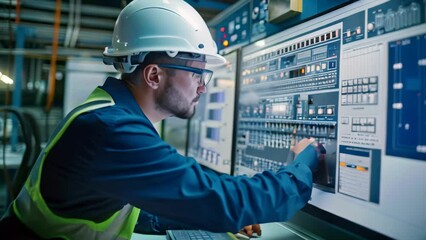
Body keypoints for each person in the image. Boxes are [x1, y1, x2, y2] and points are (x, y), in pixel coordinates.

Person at [0, 0, 319, 239]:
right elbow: (225, 200)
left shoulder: (108, 113)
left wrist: (199, 218)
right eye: (198, 74)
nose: (203, 87)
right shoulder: (111, 130)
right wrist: (304, 161)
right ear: (154, 74)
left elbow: (124, 209)